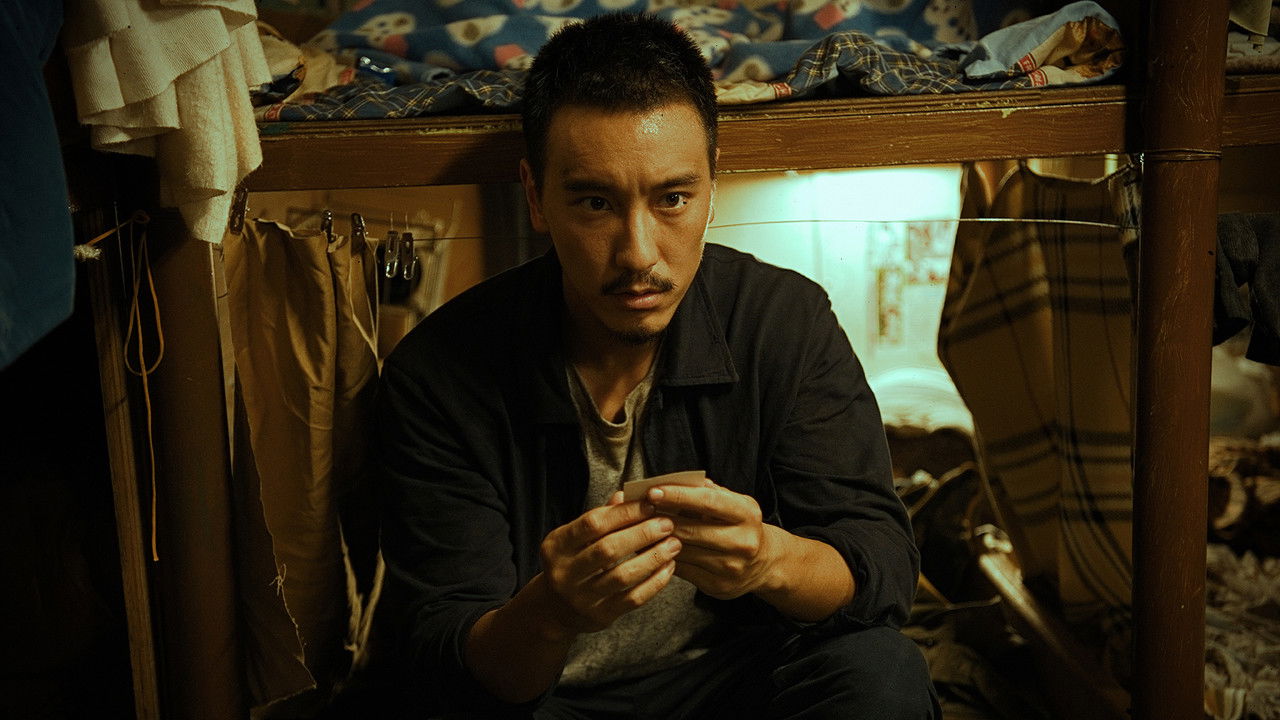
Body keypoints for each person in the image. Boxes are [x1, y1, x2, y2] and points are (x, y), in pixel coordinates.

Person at [368, 12, 939, 719]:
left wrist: (768, 559)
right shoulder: (439, 373)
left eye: (672, 199)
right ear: (535, 196)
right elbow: (444, 655)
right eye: (595, 203)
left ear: (711, 187)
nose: (638, 253)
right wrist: (550, 611)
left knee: (880, 671)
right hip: (546, 702)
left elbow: (879, 566)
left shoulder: (782, 322)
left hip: (734, 684)